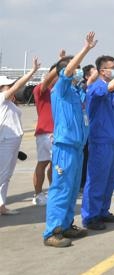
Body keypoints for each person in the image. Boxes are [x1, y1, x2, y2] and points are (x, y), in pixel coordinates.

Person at [43, 33, 96, 247]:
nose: (79, 71)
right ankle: (52, 232)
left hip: (77, 147)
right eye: (76, 68)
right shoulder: (61, 89)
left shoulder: (75, 92)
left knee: (73, 189)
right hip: (64, 147)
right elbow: (65, 72)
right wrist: (86, 49)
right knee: (61, 189)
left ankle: (65, 226)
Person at [82, 53, 114, 230]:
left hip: (113, 140)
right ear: (102, 71)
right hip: (100, 140)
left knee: (109, 178)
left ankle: (103, 211)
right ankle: (90, 216)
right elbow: (110, 86)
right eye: (113, 68)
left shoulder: (112, 90)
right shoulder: (97, 87)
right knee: (97, 179)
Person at [0, 59, 41, 216]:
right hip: (5, 141)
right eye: (8, 86)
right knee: (2, 175)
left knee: (6, 175)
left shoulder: (9, 103)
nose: (12, 88)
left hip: (12, 142)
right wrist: (32, 72)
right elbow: (18, 85)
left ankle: (1, 205)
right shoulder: (1, 98)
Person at [32, 52, 64, 206]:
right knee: (43, 163)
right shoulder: (41, 89)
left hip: (56, 132)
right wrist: (60, 64)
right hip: (46, 132)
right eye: (58, 75)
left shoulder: (58, 90)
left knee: (54, 163)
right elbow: (47, 81)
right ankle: (38, 194)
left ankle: (53, 191)